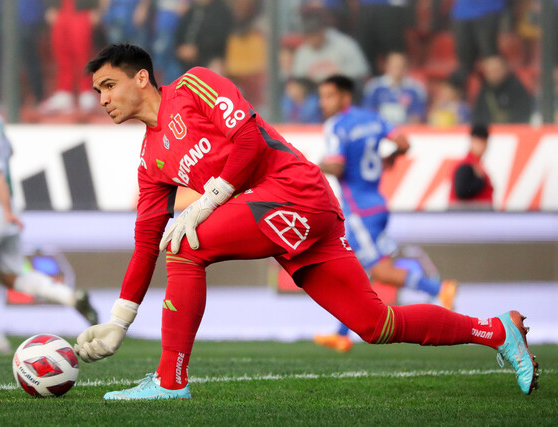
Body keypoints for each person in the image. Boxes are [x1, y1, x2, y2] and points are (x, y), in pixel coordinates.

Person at [74, 43, 539, 400]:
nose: (103, 98)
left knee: (185, 242)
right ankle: (498, 331)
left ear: (141, 77)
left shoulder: (195, 84)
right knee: (376, 324)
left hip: (296, 193)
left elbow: (250, 141)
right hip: (288, 218)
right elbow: (144, 242)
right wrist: (120, 320)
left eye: (109, 85)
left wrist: (204, 202)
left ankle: (171, 381)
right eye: (97, 91)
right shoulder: (150, 160)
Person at [0, 71, 98, 355]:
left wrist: (6, 210)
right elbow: (7, 155)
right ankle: (70, 297)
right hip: (3, 218)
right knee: (11, 275)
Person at [313, 75, 457, 353]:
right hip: (377, 204)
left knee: (380, 271)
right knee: (356, 270)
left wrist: (316, 165)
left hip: (358, 212)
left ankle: (438, 288)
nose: (323, 102)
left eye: (328, 96)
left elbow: (338, 167)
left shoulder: (336, 126)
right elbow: (403, 142)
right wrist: (390, 158)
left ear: (345, 97)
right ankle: (342, 333)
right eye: (321, 96)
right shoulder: (373, 118)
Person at [292, 9, 369, 87]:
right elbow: (299, 80)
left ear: (322, 31)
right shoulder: (303, 51)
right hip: (314, 93)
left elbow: (359, 74)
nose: (312, 40)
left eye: (314, 35)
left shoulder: (344, 44)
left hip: (342, 90)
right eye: (308, 36)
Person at [362, 52, 427, 125]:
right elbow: (368, 112)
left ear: (406, 68)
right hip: (380, 130)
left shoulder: (415, 89)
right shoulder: (374, 86)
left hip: (405, 130)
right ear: (387, 67)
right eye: (395, 66)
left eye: (401, 66)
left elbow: (417, 116)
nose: (398, 70)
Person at [448, 123, 493, 210]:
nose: (482, 146)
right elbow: (461, 191)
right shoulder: (465, 165)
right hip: (468, 218)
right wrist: (480, 181)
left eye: (484, 142)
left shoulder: (476, 165)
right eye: (479, 141)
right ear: (472, 141)